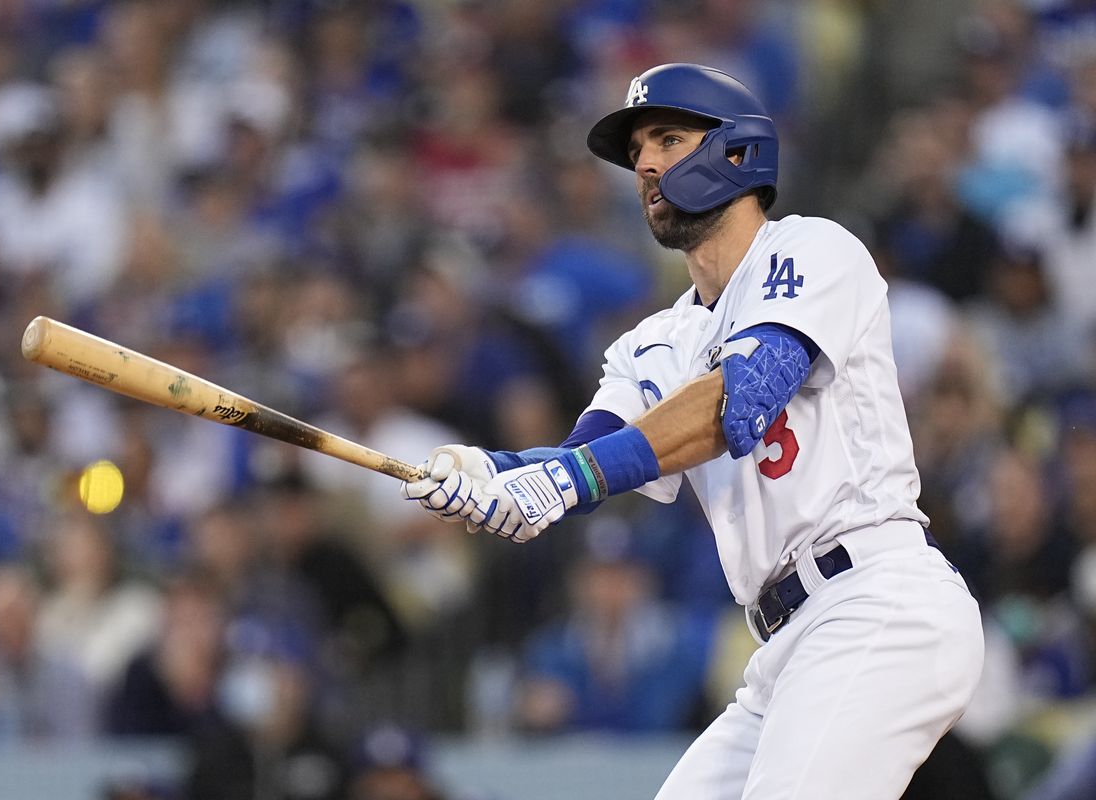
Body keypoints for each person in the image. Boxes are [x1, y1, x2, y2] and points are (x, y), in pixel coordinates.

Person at [401, 63, 985, 799]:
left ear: (738, 153)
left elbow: (739, 401)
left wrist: (552, 479)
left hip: (877, 601)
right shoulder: (653, 341)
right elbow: (588, 462)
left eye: (668, 139)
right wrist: (494, 470)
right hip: (784, 645)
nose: (644, 164)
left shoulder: (811, 251)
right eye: (638, 150)